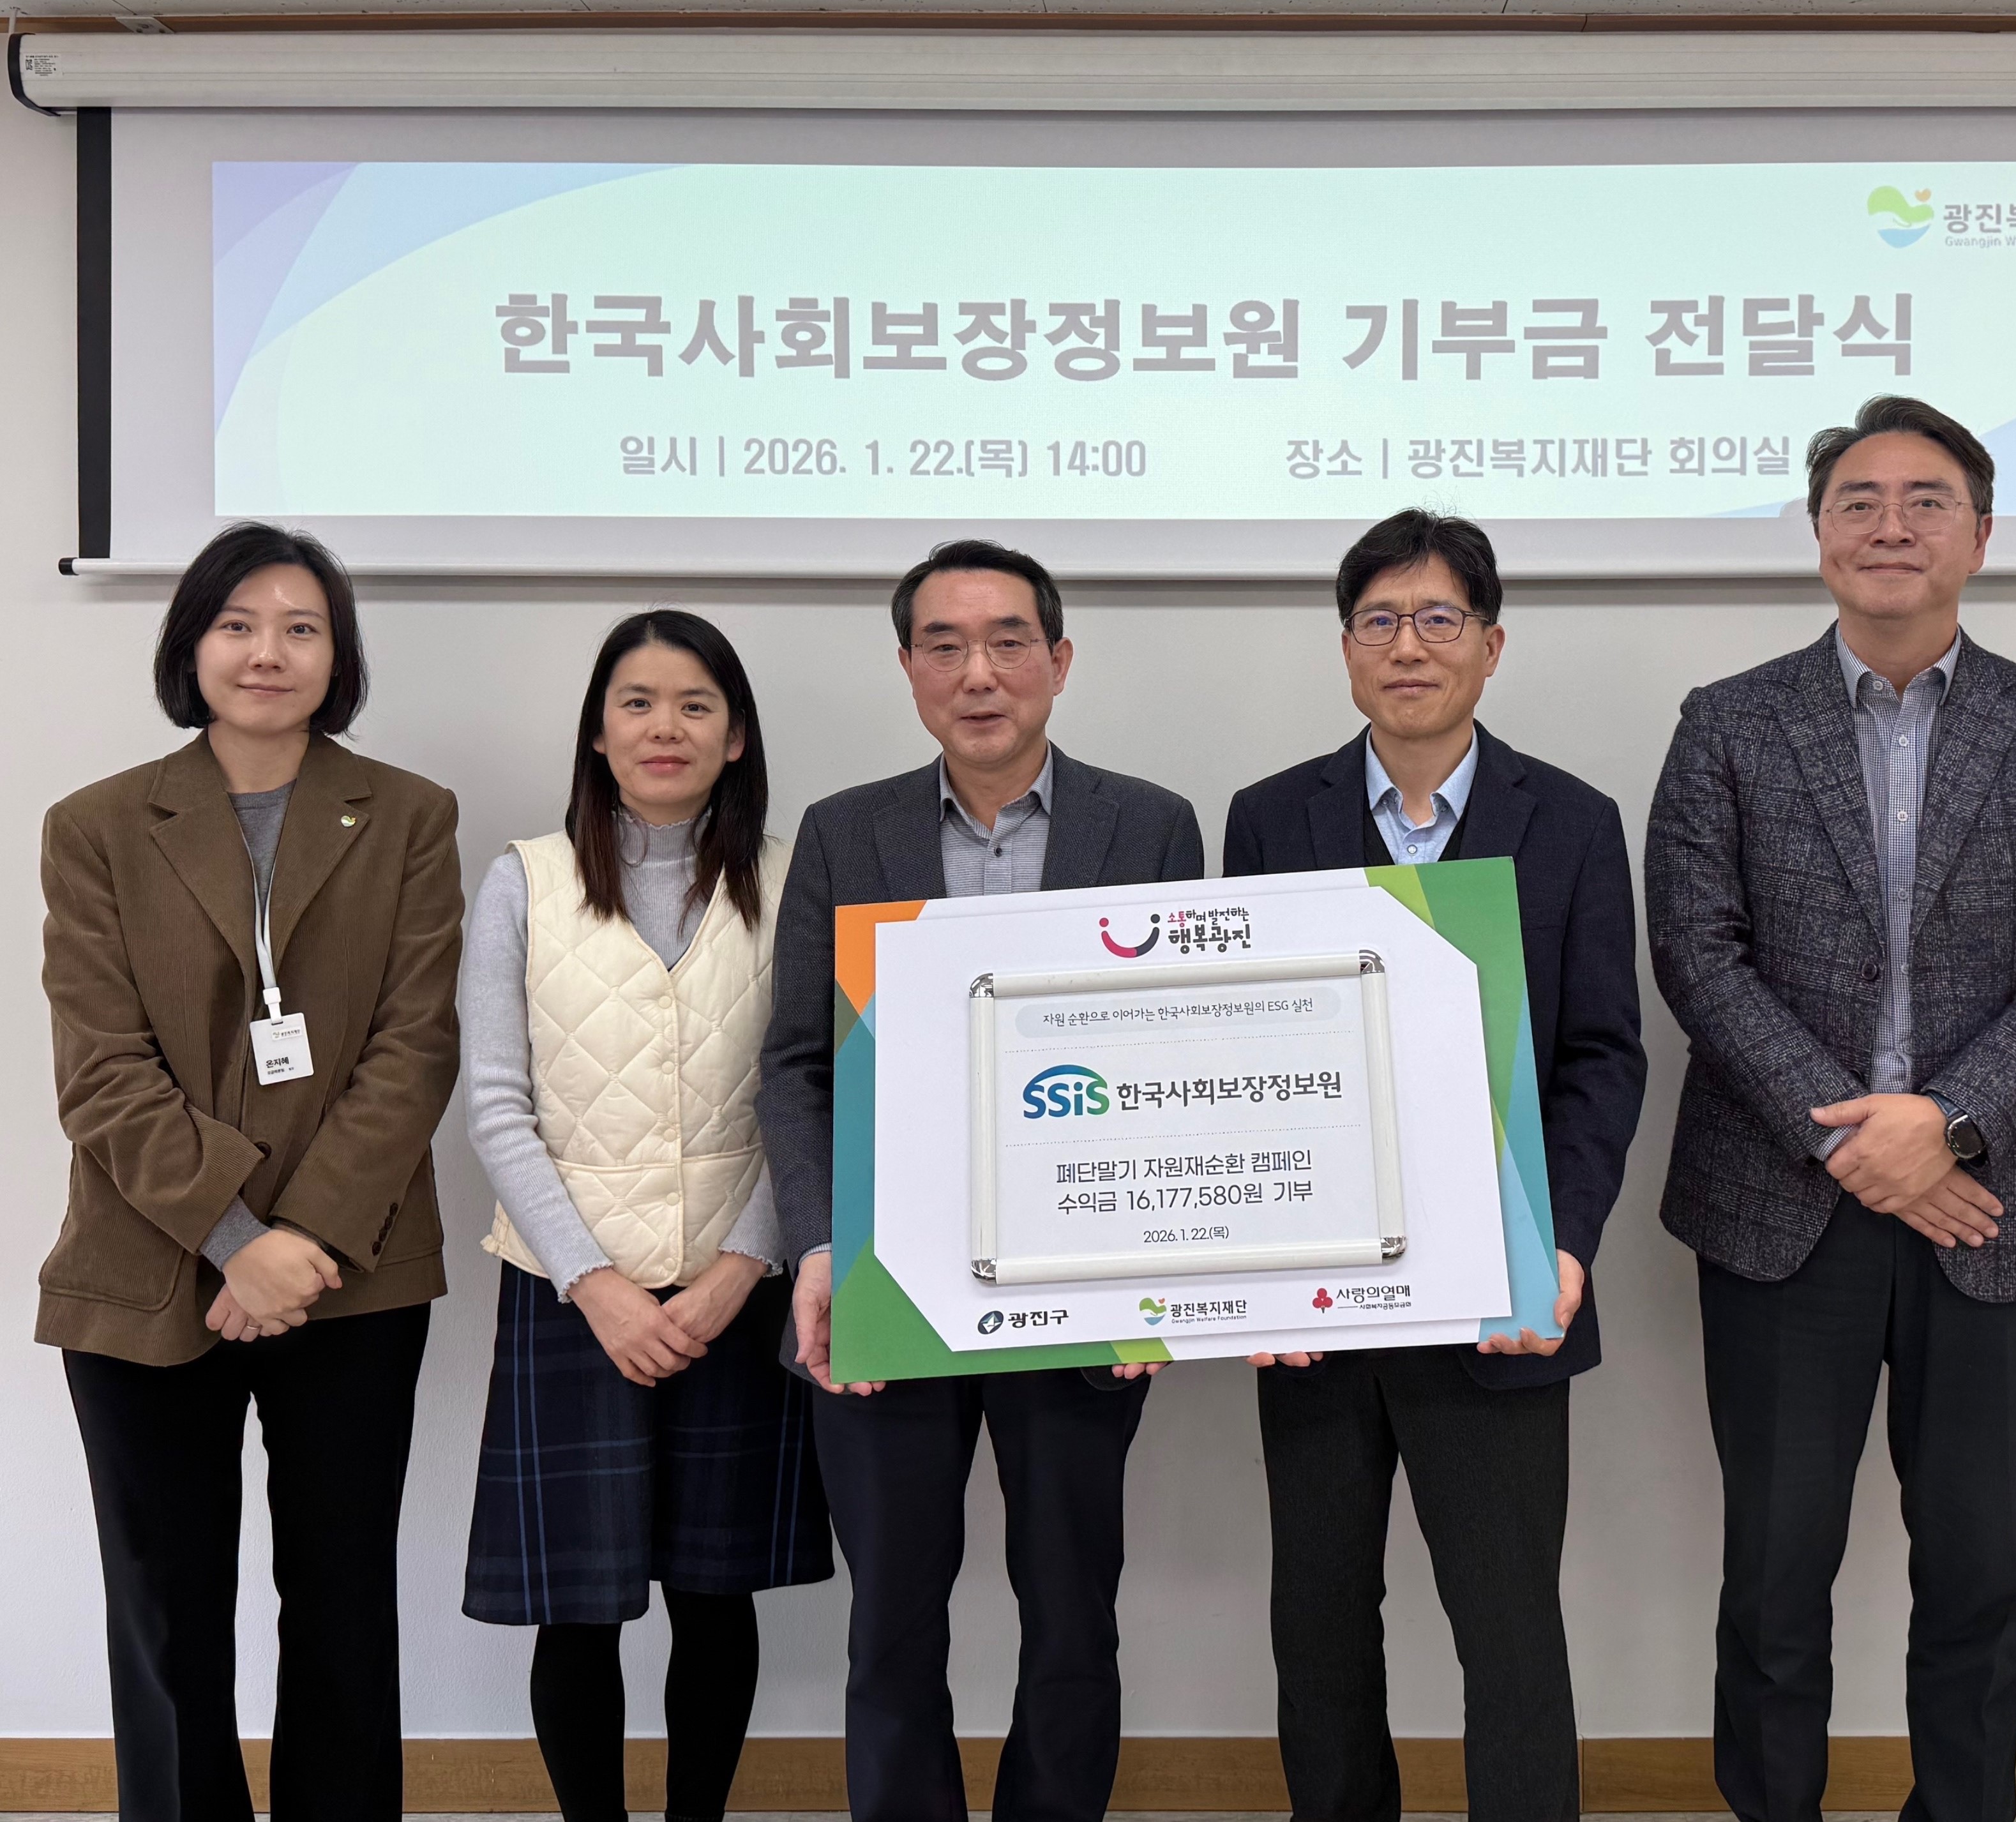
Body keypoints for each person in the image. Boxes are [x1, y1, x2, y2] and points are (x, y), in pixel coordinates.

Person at [1645, 396, 2016, 1822]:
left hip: (1998, 1202)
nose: (1890, 524)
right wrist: (1852, 1138)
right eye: (1857, 499)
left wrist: (1947, 1121)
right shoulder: (1728, 721)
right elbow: (1697, 951)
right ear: (1817, 536)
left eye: (1926, 500)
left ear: (1980, 535)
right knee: (1773, 1571)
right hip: (1779, 1207)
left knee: (1986, 1568)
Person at [758, 539, 1205, 1822]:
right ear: (908, 668)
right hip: (887, 1278)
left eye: (1009, 641)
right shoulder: (846, 830)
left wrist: (1161, 1276)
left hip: (1082, 1283)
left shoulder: (1149, 824)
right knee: (893, 1612)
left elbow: (1185, 1054)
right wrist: (820, 1247)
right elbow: (796, 1064)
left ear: (1058, 661)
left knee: (1071, 1606)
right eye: (944, 645)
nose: (978, 673)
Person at [1219, 510, 1647, 1822]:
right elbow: (1238, 1054)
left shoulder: (1571, 819)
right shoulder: (1269, 816)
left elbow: (1601, 1056)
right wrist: (1255, 1267)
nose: (1408, 646)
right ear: (1346, 647)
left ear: (1490, 645)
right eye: (1379, 621)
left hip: (1501, 1299)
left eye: (1439, 619)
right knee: (1319, 1623)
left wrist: (1559, 1243)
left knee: (1509, 1628)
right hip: (1319, 1305)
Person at [38, 522, 462, 1822]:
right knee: (166, 1613)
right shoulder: (97, 824)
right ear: (191, 647)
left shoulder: (409, 814)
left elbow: (415, 1045)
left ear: (338, 656)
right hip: (148, 1263)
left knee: (342, 1601)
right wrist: (238, 1238)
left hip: (354, 1269)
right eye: (237, 624)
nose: (267, 651)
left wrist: (305, 1239)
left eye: (300, 627)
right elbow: (100, 1069)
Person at [460, 610, 832, 1822]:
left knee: (716, 1596)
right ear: (597, 730)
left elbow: (819, 1083)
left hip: (745, 1288)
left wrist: (741, 1265)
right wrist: (595, 1282)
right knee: (578, 1605)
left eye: (695, 704)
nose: (664, 726)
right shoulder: (523, 878)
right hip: (570, 1293)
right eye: (636, 701)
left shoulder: (797, 874)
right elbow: (497, 1105)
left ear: (737, 736)